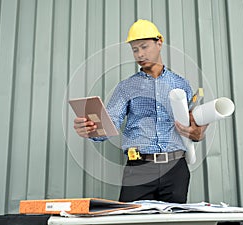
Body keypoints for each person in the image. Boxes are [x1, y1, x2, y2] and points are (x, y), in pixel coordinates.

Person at [73, 19, 207, 203]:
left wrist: (199, 132)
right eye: (135, 49)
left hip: (176, 169)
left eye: (144, 47)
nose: (139, 54)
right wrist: (90, 129)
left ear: (159, 43)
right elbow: (109, 123)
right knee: (131, 221)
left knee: (173, 222)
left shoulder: (181, 84)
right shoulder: (126, 87)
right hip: (138, 169)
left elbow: (194, 125)